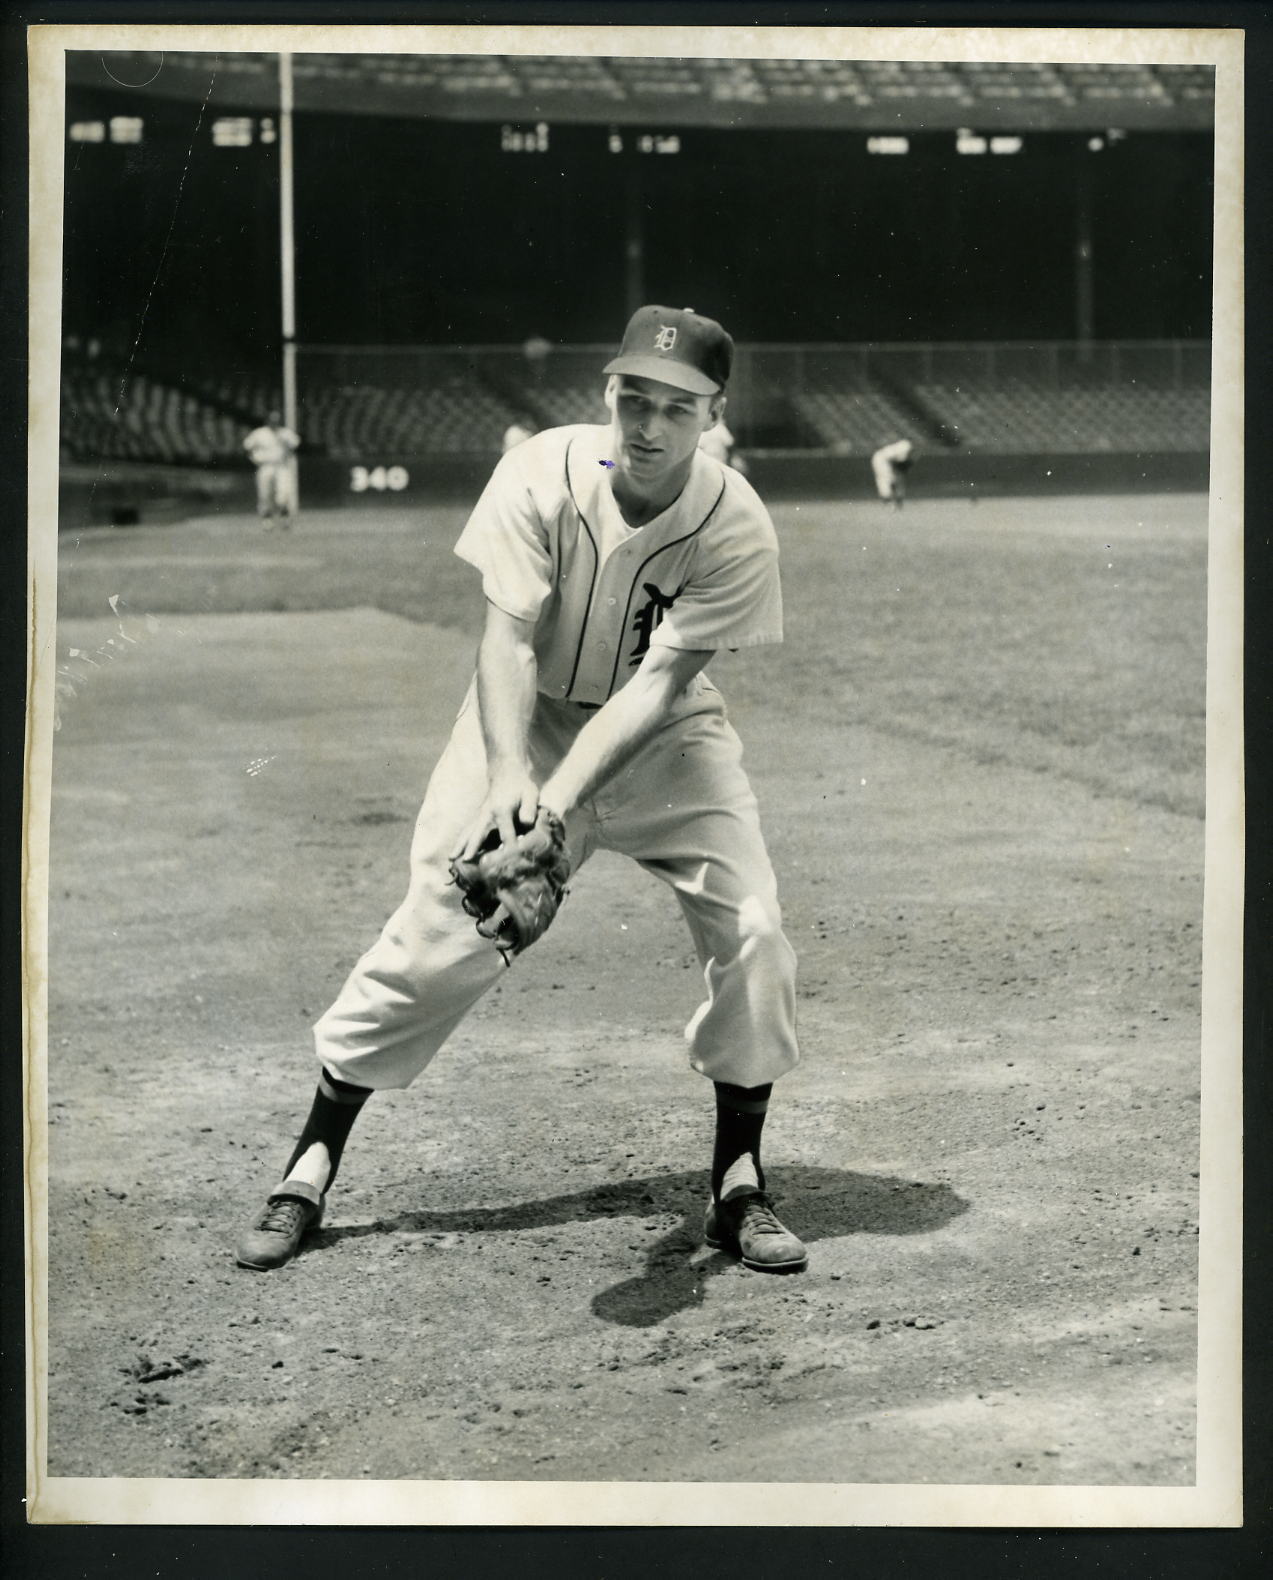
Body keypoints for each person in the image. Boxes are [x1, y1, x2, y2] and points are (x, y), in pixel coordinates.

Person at [235, 305, 807, 1276]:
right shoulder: (539, 470)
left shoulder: (736, 521)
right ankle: (312, 1155)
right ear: (606, 393)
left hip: (665, 738)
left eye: (677, 407)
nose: (648, 425)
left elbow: (662, 681)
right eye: (633, 397)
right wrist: (512, 780)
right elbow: (503, 636)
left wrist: (556, 807)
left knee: (754, 931)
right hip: (524, 721)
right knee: (440, 936)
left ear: (713, 414)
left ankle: (737, 1175)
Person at [243, 410, 300, 525]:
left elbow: (295, 444)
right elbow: (247, 446)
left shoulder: (285, 433)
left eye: (277, 420)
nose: (275, 423)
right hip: (265, 466)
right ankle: (266, 518)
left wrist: (287, 448)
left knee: (283, 493)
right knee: (265, 494)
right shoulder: (259, 433)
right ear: (267, 420)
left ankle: (284, 517)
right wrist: (254, 458)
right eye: (272, 420)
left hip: (281, 466)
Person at [870, 437, 915, 509]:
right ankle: (889, 502)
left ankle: (891, 502)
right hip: (882, 462)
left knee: (890, 482)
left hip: (884, 461)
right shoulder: (904, 446)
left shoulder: (901, 447)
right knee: (887, 481)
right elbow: (900, 460)